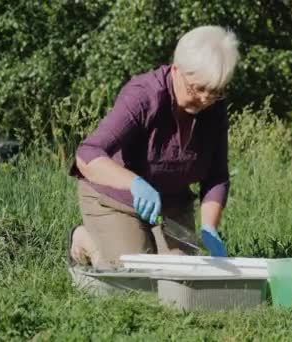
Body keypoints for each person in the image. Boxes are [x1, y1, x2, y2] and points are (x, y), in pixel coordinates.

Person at [68, 25, 240, 268]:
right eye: (198, 89)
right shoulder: (143, 96)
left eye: (215, 92)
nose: (205, 99)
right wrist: (134, 183)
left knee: (183, 271)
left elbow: (217, 176)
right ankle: (84, 240)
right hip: (116, 199)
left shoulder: (213, 107)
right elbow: (87, 155)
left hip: (172, 205)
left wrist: (209, 226)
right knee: (134, 273)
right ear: (177, 70)